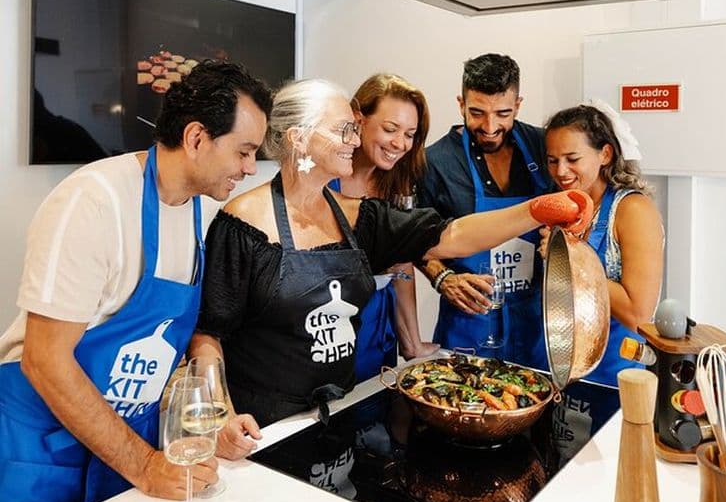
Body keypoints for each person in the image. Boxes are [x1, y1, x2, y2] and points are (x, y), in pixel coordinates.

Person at [189, 78, 587, 435]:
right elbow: (209, 332)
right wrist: (219, 414)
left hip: (332, 414)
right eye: (343, 129)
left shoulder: (357, 216)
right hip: (264, 426)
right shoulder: (242, 222)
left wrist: (536, 209)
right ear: (298, 138)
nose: (353, 139)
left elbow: (453, 234)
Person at [0, 60, 271, 502]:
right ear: (197, 138)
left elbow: (180, 340)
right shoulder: (92, 202)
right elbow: (45, 360)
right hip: (40, 450)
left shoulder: (195, 211)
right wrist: (144, 464)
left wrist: (210, 418)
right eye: (244, 151)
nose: (250, 167)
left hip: (119, 446)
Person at [416, 53, 555, 366]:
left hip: (537, 322)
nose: (490, 127)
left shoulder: (544, 146)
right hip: (468, 321)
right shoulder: (435, 162)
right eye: (477, 112)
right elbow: (414, 241)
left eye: (503, 113)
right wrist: (443, 278)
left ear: (518, 105)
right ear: (460, 103)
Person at [542, 100, 664, 385]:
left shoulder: (633, 210)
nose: (561, 171)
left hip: (615, 374)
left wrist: (570, 260)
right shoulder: (565, 207)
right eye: (552, 160)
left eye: (573, 159)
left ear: (605, 154)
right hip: (558, 366)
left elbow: (638, 313)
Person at [329, 74, 438, 381]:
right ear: (358, 118)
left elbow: (402, 263)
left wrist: (412, 342)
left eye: (410, 134)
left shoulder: (396, 183)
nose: (399, 144)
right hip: (329, 328)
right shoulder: (325, 178)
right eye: (390, 129)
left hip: (379, 325)